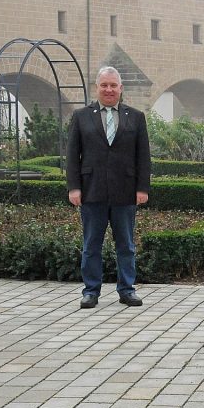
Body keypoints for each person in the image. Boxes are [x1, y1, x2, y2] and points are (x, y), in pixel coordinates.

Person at [67, 66, 151, 309]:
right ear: (97, 88)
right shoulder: (81, 116)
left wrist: (142, 188)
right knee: (91, 245)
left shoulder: (135, 117)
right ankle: (91, 291)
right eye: (104, 85)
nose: (109, 89)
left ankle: (127, 289)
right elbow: (73, 155)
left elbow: (142, 156)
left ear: (121, 88)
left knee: (126, 244)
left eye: (113, 85)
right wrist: (74, 187)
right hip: (91, 190)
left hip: (125, 191)